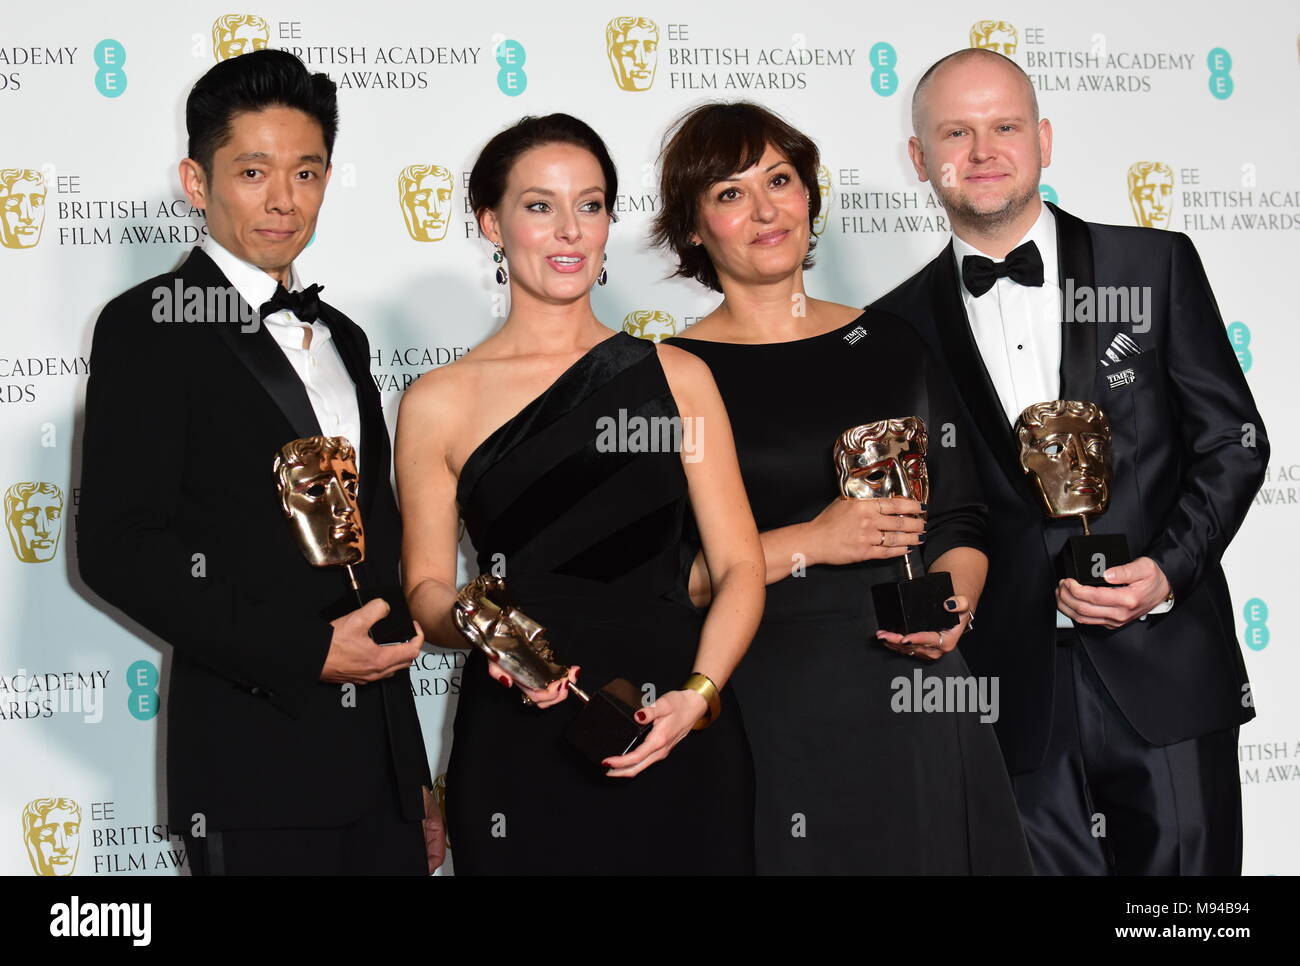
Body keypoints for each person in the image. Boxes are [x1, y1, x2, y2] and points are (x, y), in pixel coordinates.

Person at [874, 47, 1268, 875]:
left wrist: (1167, 570)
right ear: (919, 159)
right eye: (956, 132)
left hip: (1163, 672)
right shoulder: (896, 325)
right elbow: (934, 508)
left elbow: (1232, 444)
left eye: (1005, 126)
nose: (983, 152)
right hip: (1013, 699)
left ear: (1044, 139)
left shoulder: (1153, 265)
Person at [77, 49, 442, 875]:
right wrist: (304, 652)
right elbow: (119, 546)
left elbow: (371, 561)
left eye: (307, 172)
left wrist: (413, 781)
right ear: (196, 182)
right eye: (253, 171)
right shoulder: (147, 325)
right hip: (253, 771)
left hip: (379, 779)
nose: (284, 199)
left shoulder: (345, 335)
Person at [655, 101, 1031, 874]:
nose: (765, 210)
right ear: (692, 227)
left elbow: (960, 517)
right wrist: (811, 544)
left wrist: (950, 609)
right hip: (767, 705)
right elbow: (660, 581)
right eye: (729, 193)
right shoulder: (664, 377)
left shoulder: (890, 339)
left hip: (921, 697)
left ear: (810, 196)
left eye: (780, 180)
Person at [396, 113, 764, 875]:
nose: (568, 231)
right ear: (490, 223)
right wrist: (481, 631)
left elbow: (740, 567)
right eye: (539, 206)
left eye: (589, 205)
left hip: (671, 723)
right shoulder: (438, 400)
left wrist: (698, 696)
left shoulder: (677, 377)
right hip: (518, 739)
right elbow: (427, 590)